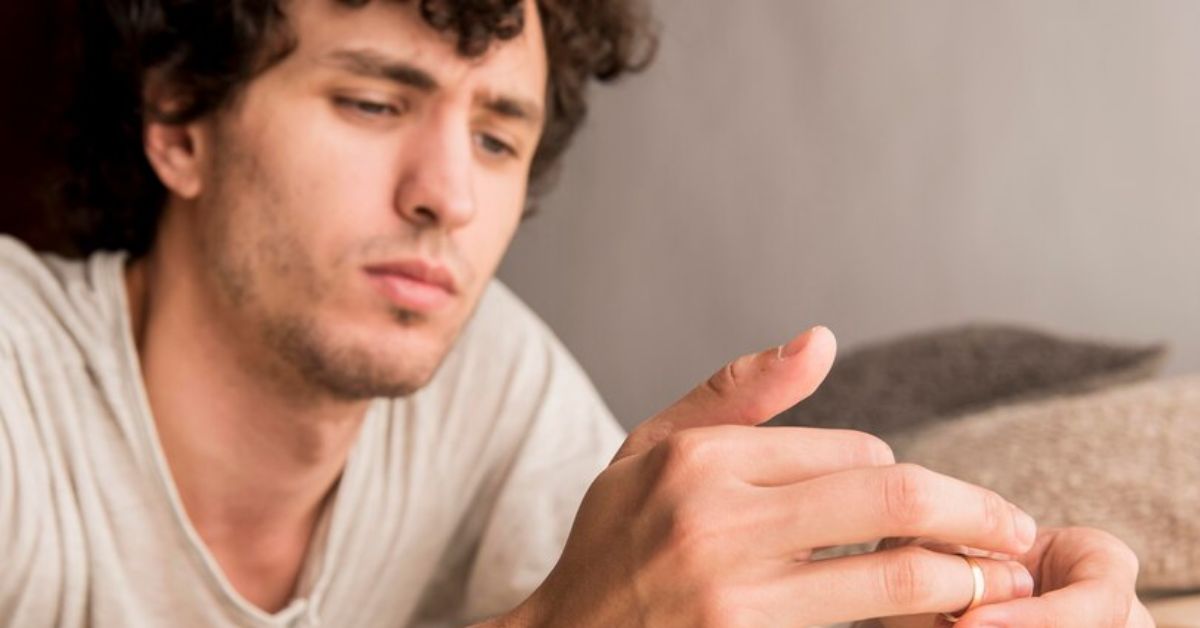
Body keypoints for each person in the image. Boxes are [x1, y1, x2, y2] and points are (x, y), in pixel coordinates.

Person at [0, 0, 1153, 625]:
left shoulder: (493, 377)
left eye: (498, 136)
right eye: (368, 100)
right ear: (179, 124)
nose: (446, 193)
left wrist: (986, 602)